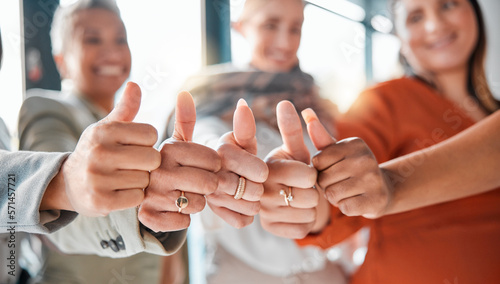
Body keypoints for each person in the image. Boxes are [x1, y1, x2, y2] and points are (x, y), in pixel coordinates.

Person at [261, 0, 500, 283]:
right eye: (414, 18)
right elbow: (345, 192)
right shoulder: (382, 102)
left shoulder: (492, 114)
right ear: (399, 39)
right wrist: (303, 201)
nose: (435, 25)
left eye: (448, 5)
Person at [16, 1, 210, 283]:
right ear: (61, 61)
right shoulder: (45, 110)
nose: (111, 51)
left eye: (120, 39)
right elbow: (49, 204)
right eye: (92, 39)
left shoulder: (142, 135)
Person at [164, 0, 346, 282]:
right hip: (242, 273)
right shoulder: (210, 93)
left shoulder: (317, 102)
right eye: (270, 25)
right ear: (241, 26)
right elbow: (202, 136)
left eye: (295, 28)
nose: (285, 41)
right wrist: (217, 155)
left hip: (319, 271)